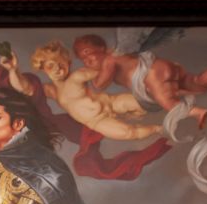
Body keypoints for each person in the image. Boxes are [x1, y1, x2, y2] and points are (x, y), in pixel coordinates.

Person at [73, 33, 207, 130]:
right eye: (83, 59)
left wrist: (91, 77)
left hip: (152, 74)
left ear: (101, 47)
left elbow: (100, 85)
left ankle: (197, 112)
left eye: (88, 53)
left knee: (167, 102)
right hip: (162, 67)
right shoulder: (119, 53)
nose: (87, 60)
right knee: (197, 84)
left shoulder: (109, 60)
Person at [23, 41, 163, 141]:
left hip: (111, 102)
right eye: (50, 66)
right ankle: (159, 129)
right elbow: (25, 88)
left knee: (143, 99)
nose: (57, 69)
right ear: (42, 69)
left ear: (68, 62)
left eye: (61, 63)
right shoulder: (50, 90)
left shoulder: (78, 75)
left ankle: (177, 102)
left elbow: (106, 70)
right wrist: (12, 70)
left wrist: (113, 58)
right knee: (128, 133)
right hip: (97, 121)